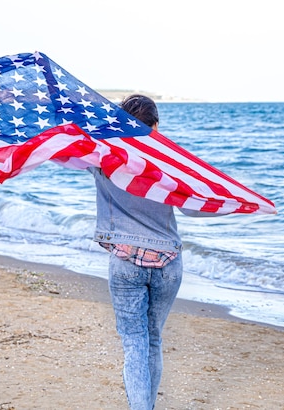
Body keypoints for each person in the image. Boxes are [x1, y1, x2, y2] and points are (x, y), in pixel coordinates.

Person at [90, 94, 208, 410]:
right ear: (156, 127)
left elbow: (70, 148)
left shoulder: (104, 159)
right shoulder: (171, 164)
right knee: (152, 339)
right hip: (168, 263)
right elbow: (196, 210)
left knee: (134, 343)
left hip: (126, 261)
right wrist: (233, 201)